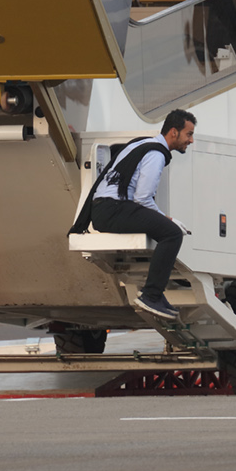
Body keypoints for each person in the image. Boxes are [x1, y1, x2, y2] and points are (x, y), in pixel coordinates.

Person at [83, 109, 196, 320]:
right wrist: (167, 220)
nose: (191, 140)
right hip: (111, 209)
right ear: (174, 132)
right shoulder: (156, 154)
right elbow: (143, 199)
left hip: (104, 208)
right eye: (188, 134)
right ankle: (152, 295)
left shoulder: (140, 144)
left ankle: (155, 294)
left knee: (165, 228)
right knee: (172, 234)